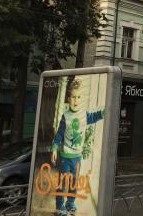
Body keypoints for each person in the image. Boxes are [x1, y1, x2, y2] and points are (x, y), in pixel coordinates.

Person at [51, 78, 105, 216]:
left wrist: (103, 113)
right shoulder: (66, 116)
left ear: (82, 99)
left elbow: (94, 116)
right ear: (69, 99)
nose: (76, 100)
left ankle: (70, 204)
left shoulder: (84, 115)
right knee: (63, 182)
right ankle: (59, 207)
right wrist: (54, 148)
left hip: (77, 158)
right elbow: (59, 134)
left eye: (79, 97)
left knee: (74, 183)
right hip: (65, 157)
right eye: (73, 97)